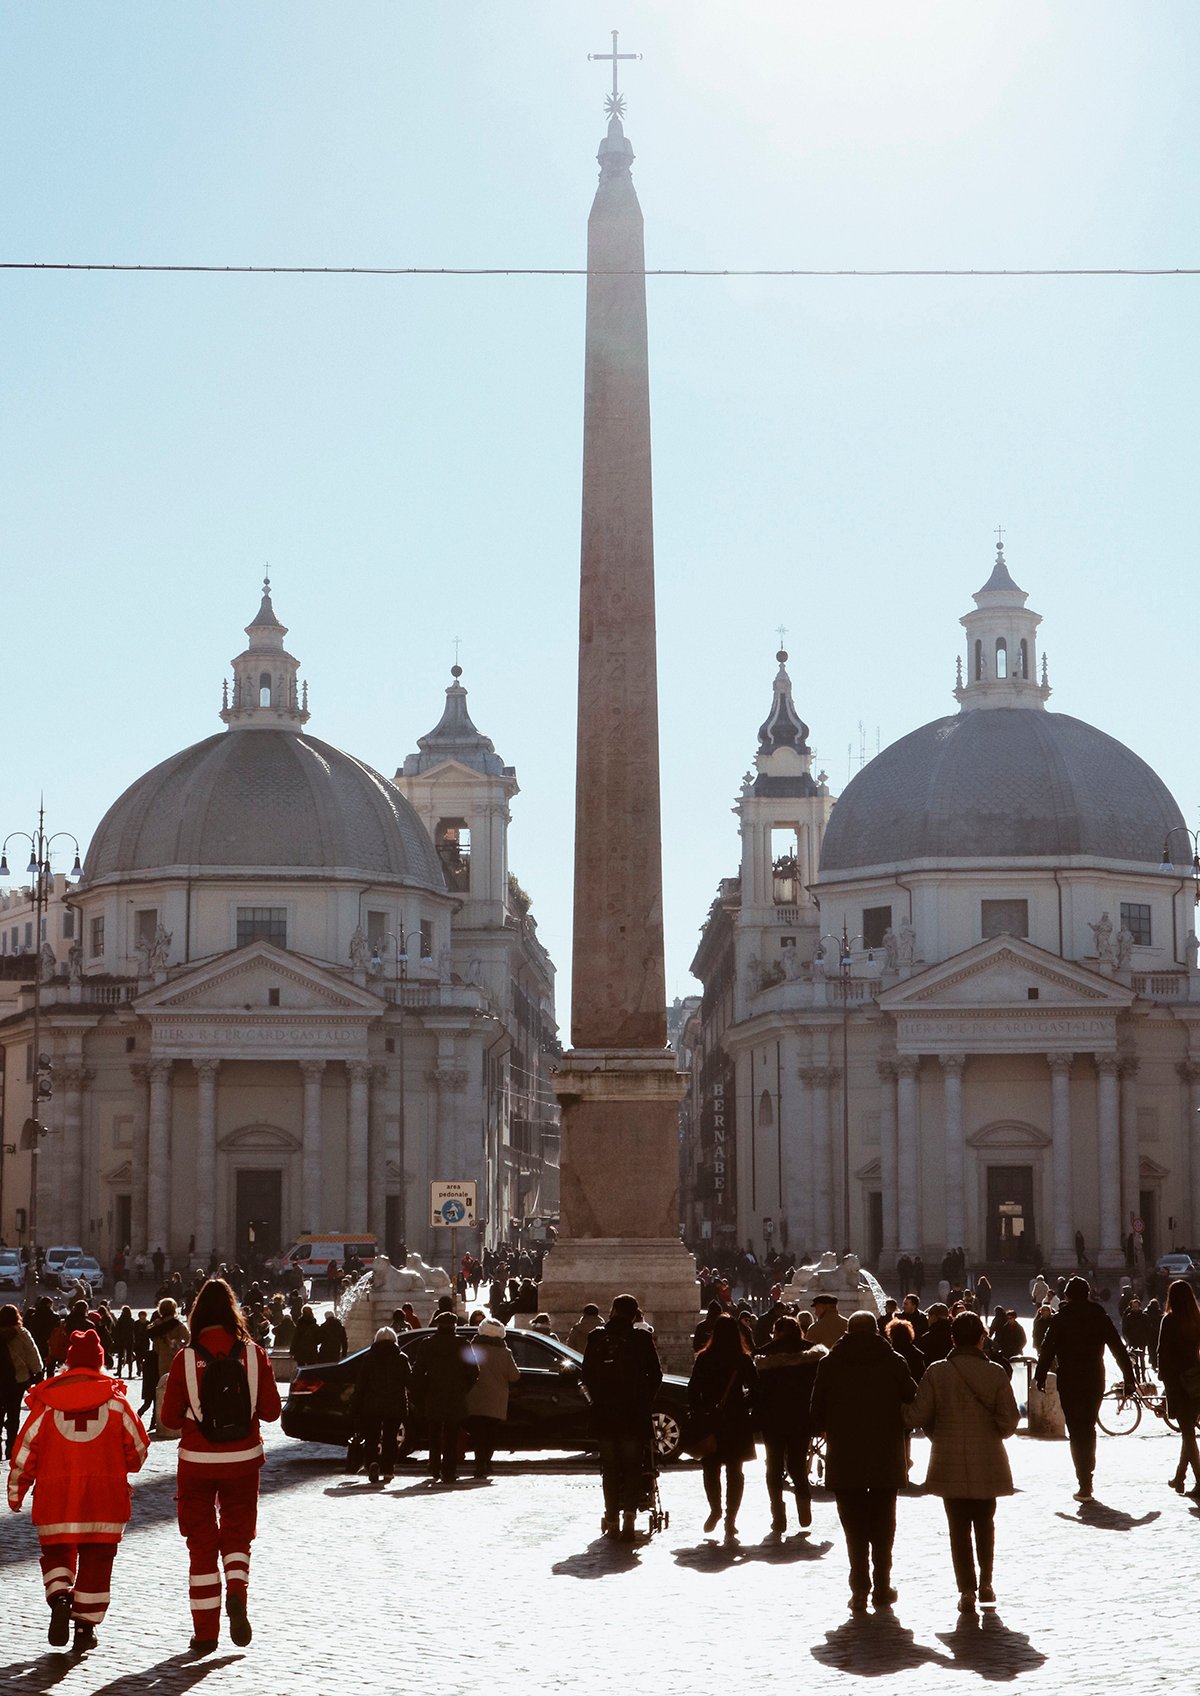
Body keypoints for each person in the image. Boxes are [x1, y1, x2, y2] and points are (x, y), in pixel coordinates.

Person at [159, 1277, 282, 1653]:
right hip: (243, 1460)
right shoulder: (255, 1354)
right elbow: (272, 1411)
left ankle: (205, 1634)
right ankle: (238, 1593)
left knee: (201, 1546)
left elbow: (168, 1418)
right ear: (233, 1312)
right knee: (238, 1535)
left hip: (197, 1462)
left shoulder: (185, 1358)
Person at [6, 1328, 148, 1651]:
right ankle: (85, 1627)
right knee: (97, 1561)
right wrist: (122, 1462)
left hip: (56, 1500)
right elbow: (138, 1450)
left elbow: (24, 1450)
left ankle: (59, 1597)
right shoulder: (116, 1403)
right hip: (104, 1501)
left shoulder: (47, 1404)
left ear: (68, 1364)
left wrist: (17, 1491)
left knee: (57, 1552)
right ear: (99, 1364)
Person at [904, 1310, 1020, 1612]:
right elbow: (1009, 1422)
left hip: (948, 1459)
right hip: (988, 1461)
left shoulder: (936, 1372)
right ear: (982, 1338)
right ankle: (986, 1582)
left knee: (958, 1529)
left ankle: (966, 1589)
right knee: (985, 1524)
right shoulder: (995, 1372)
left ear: (952, 1338)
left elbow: (917, 1416)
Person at [810, 1310, 917, 1611]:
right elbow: (912, 1397)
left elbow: (815, 1412)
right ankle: (882, 1585)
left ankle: (859, 1587)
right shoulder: (894, 1361)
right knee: (885, 1523)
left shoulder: (830, 1363)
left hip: (846, 1456)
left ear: (848, 1330)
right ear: (876, 1330)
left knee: (853, 1526)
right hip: (885, 1454)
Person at [1034, 1274, 1135, 1501]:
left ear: (1067, 1295)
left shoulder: (1061, 1317)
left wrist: (1040, 1376)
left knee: (1076, 1429)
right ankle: (1088, 1476)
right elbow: (1118, 1347)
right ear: (1088, 1293)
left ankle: (1084, 1482)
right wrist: (1129, 1377)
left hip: (1069, 1378)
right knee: (1088, 1427)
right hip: (1094, 1377)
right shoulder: (1099, 1315)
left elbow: (1047, 1348)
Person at [581, 1293, 664, 1541]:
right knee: (632, 1467)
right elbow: (656, 1375)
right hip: (633, 1413)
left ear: (613, 1311)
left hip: (605, 1413)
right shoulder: (641, 1338)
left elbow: (586, 1374)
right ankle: (629, 1514)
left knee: (609, 1468)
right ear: (634, 1313)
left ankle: (612, 1518)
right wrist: (644, 1400)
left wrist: (597, 1399)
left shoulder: (596, 1337)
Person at [688, 1314, 758, 1544]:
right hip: (735, 1420)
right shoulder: (742, 1359)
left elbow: (692, 1389)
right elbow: (756, 1391)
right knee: (735, 1472)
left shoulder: (704, 1358)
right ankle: (731, 1519)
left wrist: (701, 1411)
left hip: (710, 1419)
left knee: (710, 1468)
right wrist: (742, 1405)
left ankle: (715, 1509)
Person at [754, 1314, 824, 1534]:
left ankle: (778, 1515)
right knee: (796, 1463)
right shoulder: (814, 1354)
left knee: (773, 1468)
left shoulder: (765, 1354)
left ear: (777, 1332)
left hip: (773, 1419)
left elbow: (757, 1391)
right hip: (801, 1418)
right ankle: (803, 1501)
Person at [410, 1310, 478, 1486]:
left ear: (438, 1326)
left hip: (433, 1395)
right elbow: (473, 1371)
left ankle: (434, 1466)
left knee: (434, 1434)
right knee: (451, 1435)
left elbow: (417, 1371)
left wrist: (423, 1390)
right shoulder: (462, 1343)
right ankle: (449, 1471)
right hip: (455, 1395)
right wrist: (464, 1388)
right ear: (454, 1326)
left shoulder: (428, 1344)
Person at [352, 1326, 412, 1484]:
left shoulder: (369, 1358)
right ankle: (388, 1469)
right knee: (391, 1438)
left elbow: (361, 1384)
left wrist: (355, 1405)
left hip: (371, 1404)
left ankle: (372, 1462)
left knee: (372, 1437)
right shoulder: (401, 1358)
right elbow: (409, 1381)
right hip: (395, 1404)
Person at [1157, 1279, 1200, 1495]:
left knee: (1187, 1434)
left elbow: (1161, 1353)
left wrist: (1163, 1376)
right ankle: (1179, 1478)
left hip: (1177, 1382)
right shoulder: (1196, 1319)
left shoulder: (1169, 1320)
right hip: (1196, 1381)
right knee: (1188, 1431)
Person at [466, 1317, 519, 1478]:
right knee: (490, 1435)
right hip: (496, 1400)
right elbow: (514, 1376)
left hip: (474, 1398)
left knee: (477, 1433)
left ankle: (479, 1463)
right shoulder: (505, 1352)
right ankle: (486, 1463)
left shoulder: (472, 1348)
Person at [1, 1304, 43, 1459]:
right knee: (13, 1413)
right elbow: (32, 1353)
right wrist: (38, 1372)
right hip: (17, 1379)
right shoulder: (21, 1333)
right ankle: (11, 1446)